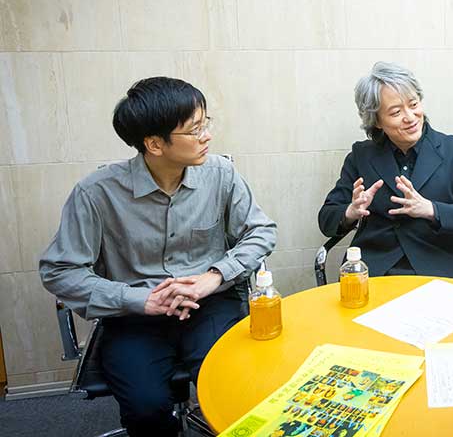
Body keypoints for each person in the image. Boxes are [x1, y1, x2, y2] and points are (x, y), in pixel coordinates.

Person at [40, 77, 277, 437]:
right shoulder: (97, 193)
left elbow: (261, 232)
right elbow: (60, 270)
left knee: (236, 386)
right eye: (194, 130)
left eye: (205, 124)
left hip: (210, 305)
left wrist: (213, 276)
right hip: (134, 316)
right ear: (154, 144)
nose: (207, 136)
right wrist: (140, 299)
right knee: (146, 409)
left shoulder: (220, 174)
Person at [318, 62, 453, 279]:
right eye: (396, 112)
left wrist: (431, 209)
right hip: (375, 273)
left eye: (413, 104)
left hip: (439, 269)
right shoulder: (361, 156)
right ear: (377, 121)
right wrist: (350, 212)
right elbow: (326, 220)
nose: (410, 117)